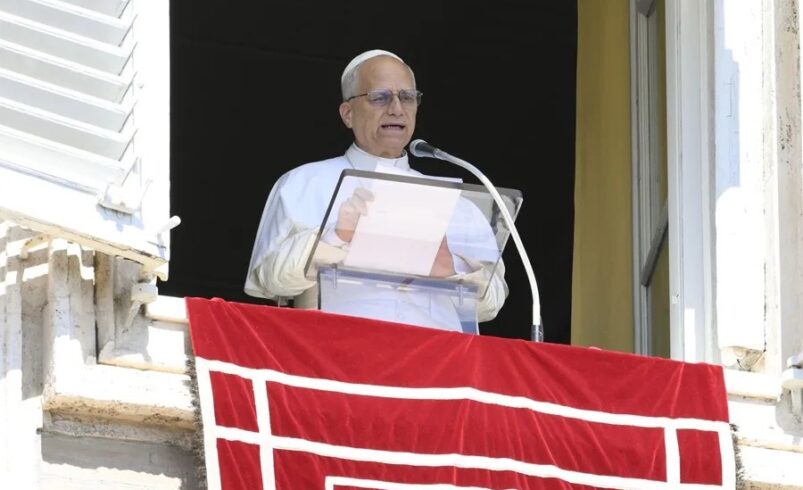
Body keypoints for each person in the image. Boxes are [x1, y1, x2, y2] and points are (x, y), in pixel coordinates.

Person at [244, 49, 508, 332]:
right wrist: (336, 238)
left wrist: (453, 269)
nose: (396, 108)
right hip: (338, 359)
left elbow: (491, 305)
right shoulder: (304, 183)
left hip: (441, 366)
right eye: (380, 97)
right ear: (347, 113)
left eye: (407, 97)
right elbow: (269, 282)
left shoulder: (459, 205)